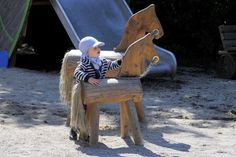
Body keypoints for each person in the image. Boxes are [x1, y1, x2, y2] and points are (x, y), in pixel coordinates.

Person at [70, 36, 122, 140]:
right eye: (95, 48)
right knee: (81, 110)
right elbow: (77, 72)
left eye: (98, 47)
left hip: (95, 92)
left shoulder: (102, 61)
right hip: (83, 92)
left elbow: (111, 65)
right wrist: (88, 78)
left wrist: (120, 62)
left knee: (92, 111)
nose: (99, 50)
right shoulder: (84, 62)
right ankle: (74, 129)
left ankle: (86, 131)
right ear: (87, 51)